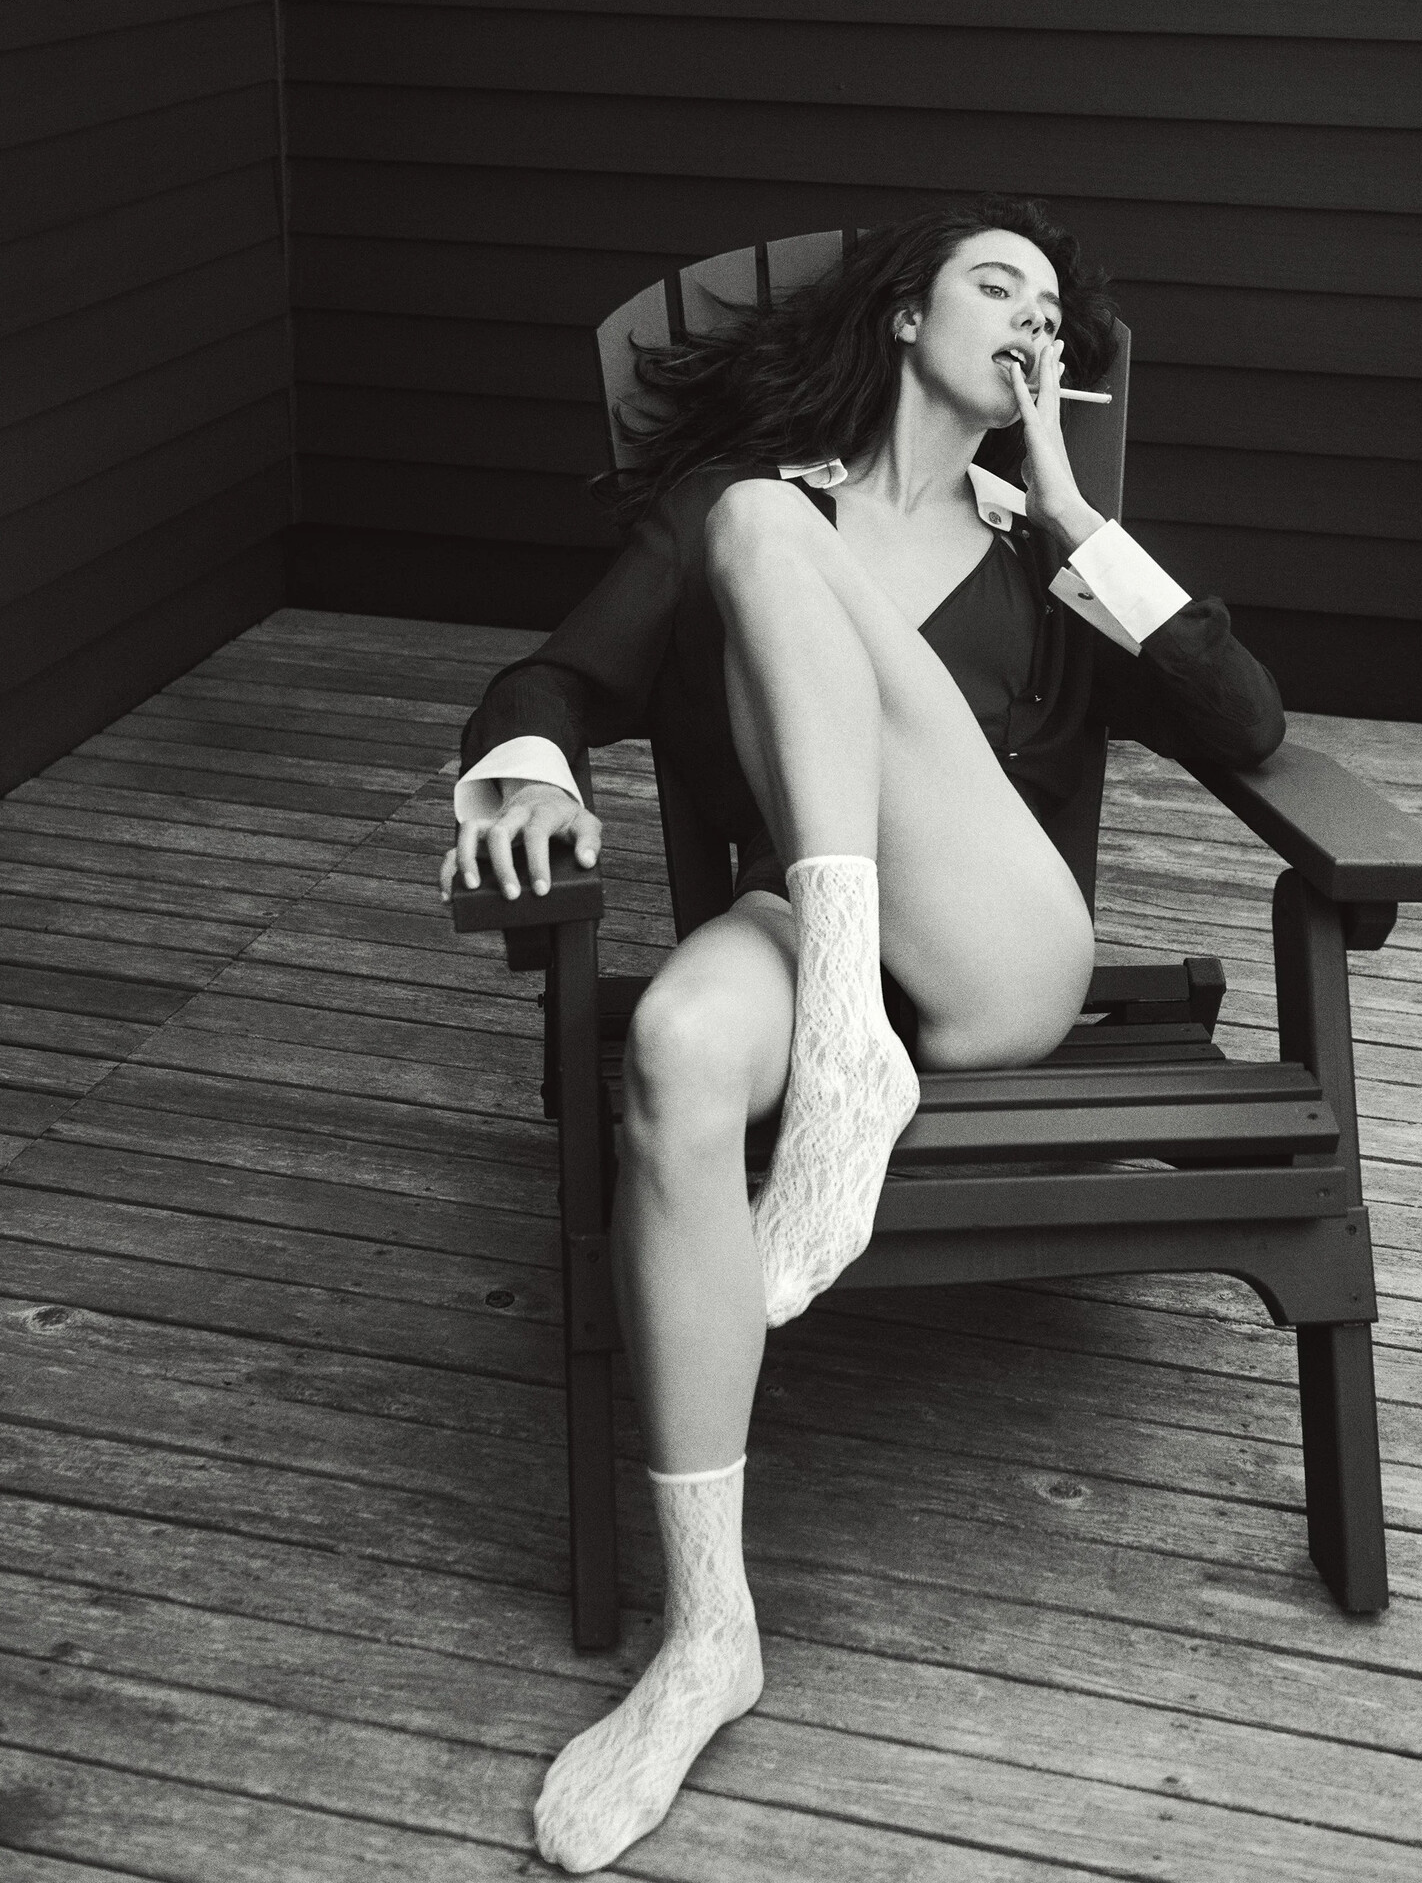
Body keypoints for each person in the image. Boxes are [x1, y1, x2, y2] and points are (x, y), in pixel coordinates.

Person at [438, 197, 1284, 1874]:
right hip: (811, 939)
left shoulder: (1037, 553)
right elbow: (556, 680)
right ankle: (709, 1636)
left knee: (758, 520)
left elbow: (1246, 722)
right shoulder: (752, 515)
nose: (1032, 320)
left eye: (1053, 312)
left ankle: (844, 1047)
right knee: (679, 1048)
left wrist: (1073, 513)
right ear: (904, 314)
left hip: (994, 966)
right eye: (996, 284)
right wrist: (526, 775)